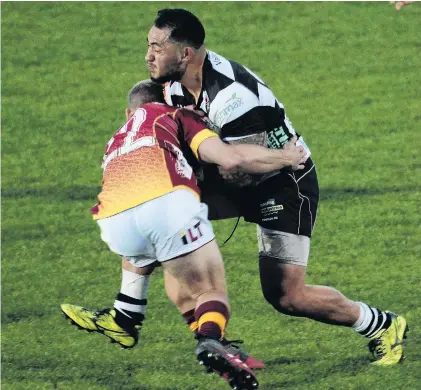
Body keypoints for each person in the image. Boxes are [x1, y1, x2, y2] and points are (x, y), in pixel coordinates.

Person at [143, 9, 408, 366]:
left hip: (282, 183)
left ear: (186, 53)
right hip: (239, 173)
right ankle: (171, 325)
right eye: (149, 46)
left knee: (287, 296)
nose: (148, 56)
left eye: (157, 47)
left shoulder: (231, 97)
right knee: (158, 221)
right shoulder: (171, 84)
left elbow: (242, 174)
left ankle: (381, 324)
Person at [61, 80, 307, 389]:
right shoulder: (175, 116)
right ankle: (210, 341)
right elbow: (230, 158)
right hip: (165, 205)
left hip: (113, 221)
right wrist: (286, 157)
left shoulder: (118, 138)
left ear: (128, 113)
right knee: (209, 290)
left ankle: (126, 313)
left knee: (173, 266)